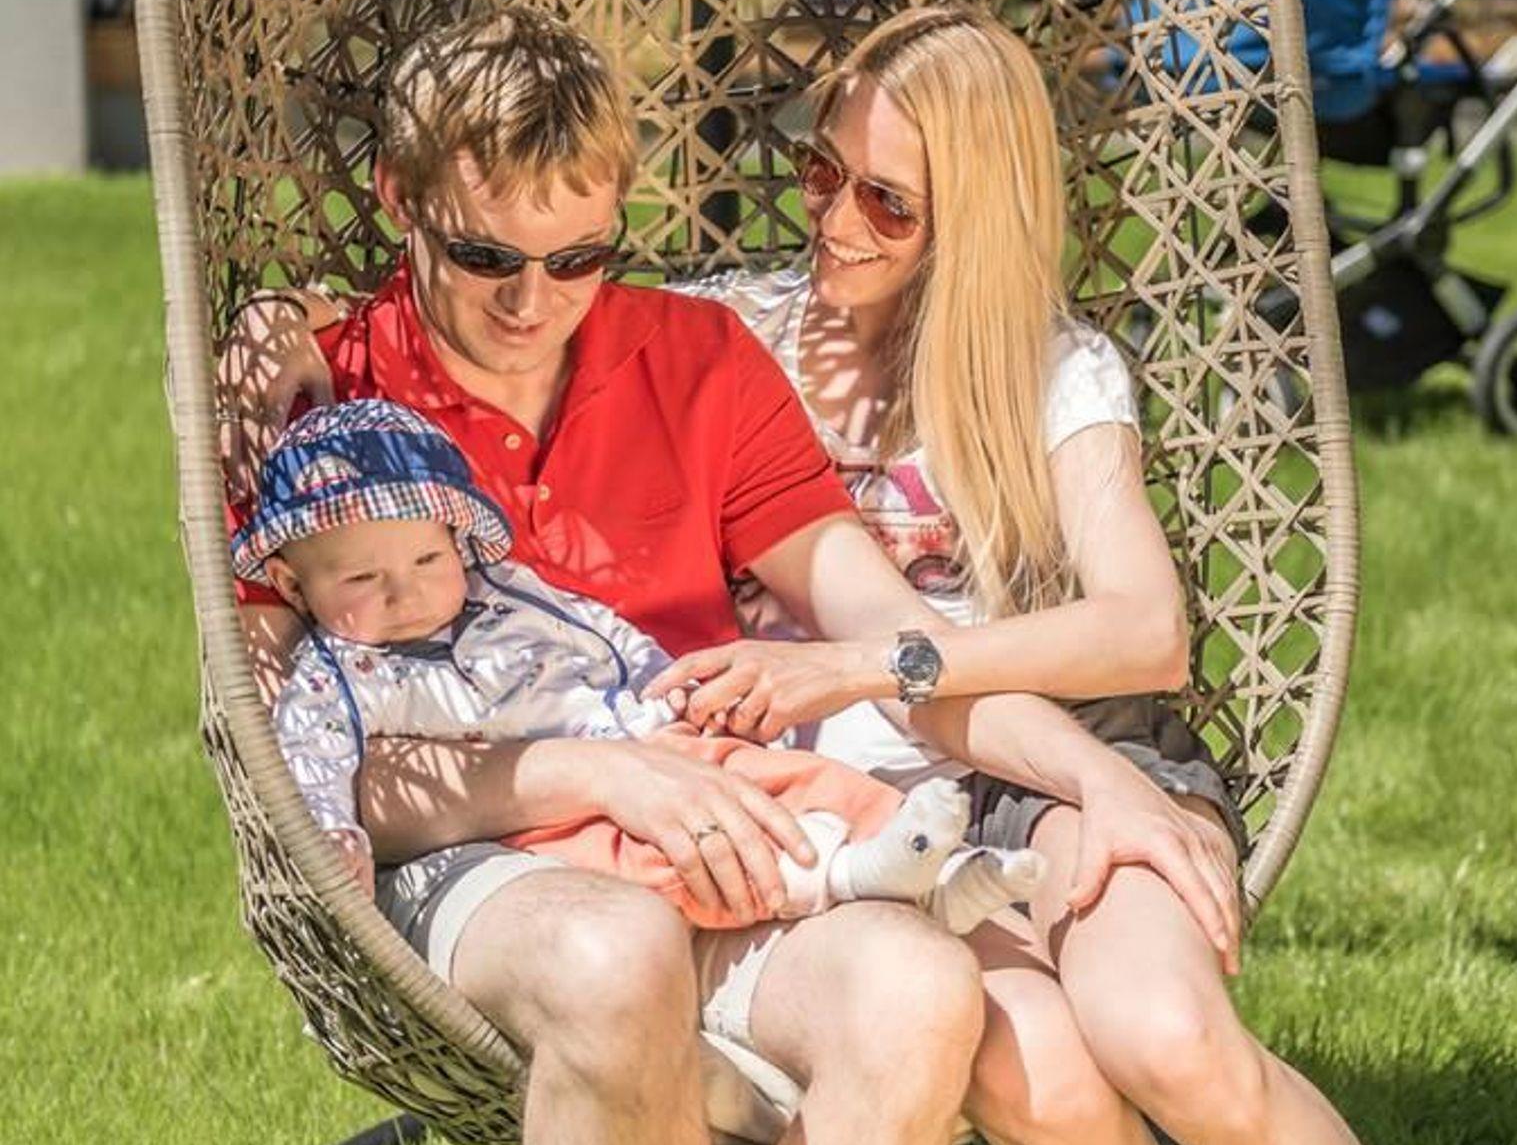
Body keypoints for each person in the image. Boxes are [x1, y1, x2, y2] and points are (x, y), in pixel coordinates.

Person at [221, 6, 1237, 1145]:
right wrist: (599, 777)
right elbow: (283, 759)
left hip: (728, 830)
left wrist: (1093, 773)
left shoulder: (694, 359)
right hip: (478, 857)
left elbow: (885, 631)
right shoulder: (322, 410)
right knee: (617, 952)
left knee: (916, 990)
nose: (532, 304)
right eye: (486, 256)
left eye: (578, 259)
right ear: (399, 197)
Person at [649, 4, 1394, 1145]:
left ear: (975, 213)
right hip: (853, 806)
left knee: (1168, 1040)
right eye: (821, 171)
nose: (834, 220)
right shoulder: (734, 333)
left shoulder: (1052, 371)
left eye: (887, 202)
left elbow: (1144, 631)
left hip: (1050, 753)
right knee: (1044, 1082)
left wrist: (868, 663)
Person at [241, 398, 1043, 940]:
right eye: (362, 579)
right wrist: (334, 831)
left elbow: (598, 631)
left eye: (427, 559)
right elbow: (309, 757)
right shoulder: (334, 675)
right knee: (661, 861)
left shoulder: (501, 590)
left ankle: (941, 865)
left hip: (642, 737)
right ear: (292, 584)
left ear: (457, 541)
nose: (407, 592)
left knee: (781, 775)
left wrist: (665, 690)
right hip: (535, 821)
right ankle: (849, 876)